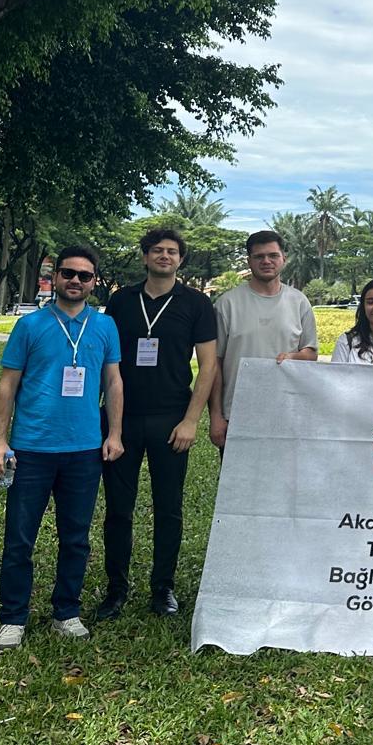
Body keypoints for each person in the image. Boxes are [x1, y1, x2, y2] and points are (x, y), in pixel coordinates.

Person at [0, 246, 124, 649]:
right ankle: (13, 617)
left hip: (84, 450)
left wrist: (114, 434)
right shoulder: (30, 326)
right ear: (55, 277)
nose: (75, 281)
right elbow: (7, 385)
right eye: (68, 273)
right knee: (19, 538)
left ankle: (66, 612)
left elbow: (113, 381)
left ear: (94, 282)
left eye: (84, 275)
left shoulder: (105, 326)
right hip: (31, 449)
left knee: (76, 537)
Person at [97, 227, 218, 620]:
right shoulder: (121, 300)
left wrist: (191, 420)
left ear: (180, 259)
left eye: (172, 251)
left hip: (171, 419)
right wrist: (109, 422)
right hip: (122, 418)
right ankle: (116, 590)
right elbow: (106, 359)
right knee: (118, 509)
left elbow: (209, 366)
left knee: (169, 508)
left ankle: (162, 588)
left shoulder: (196, 303)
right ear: (145, 256)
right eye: (157, 250)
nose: (165, 256)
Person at [209, 231, 318, 450]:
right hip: (238, 412)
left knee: (285, 472)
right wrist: (216, 416)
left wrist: (293, 357)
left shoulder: (299, 302)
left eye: (273, 255)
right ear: (249, 261)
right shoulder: (227, 304)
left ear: (283, 258)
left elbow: (311, 353)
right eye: (259, 256)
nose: (266, 261)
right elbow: (215, 364)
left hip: (287, 411)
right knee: (238, 473)